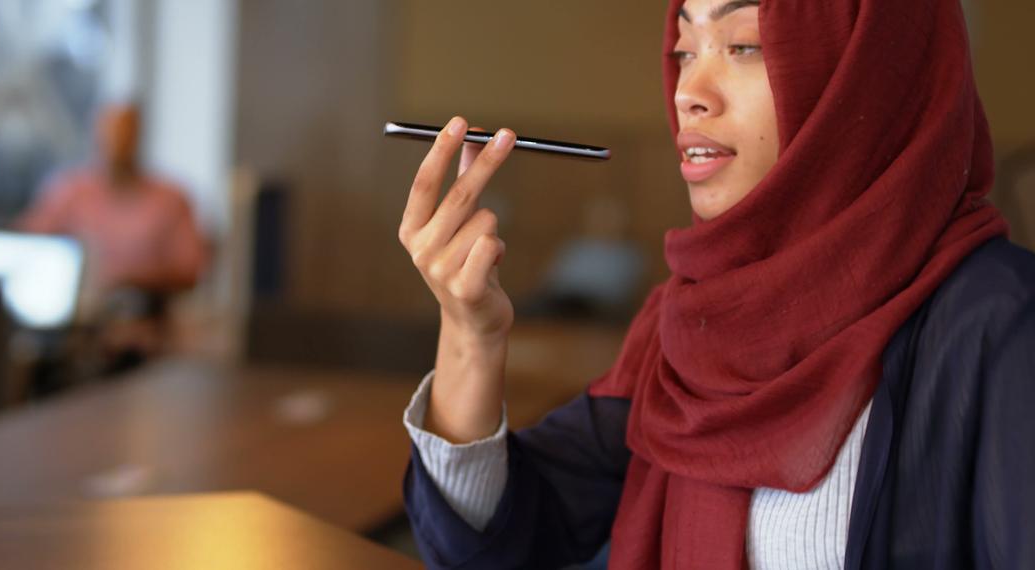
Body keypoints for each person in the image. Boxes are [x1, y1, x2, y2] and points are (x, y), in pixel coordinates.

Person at [397, 0, 1035, 568]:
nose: (687, 92)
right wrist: (470, 332)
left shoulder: (998, 319)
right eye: (683, 50)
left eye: (745, 45)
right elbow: (503, 542)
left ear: (868, 73)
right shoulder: (686, 321)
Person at [17, 102, 207, 374]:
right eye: (109, 134)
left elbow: (190, 270)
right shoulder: (71, 191)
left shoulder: (170, 198)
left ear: (139, 137)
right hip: (74, 326)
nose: (116, 143)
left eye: (125, 134)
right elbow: (29, 239)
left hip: (143, 327)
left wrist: (127, 280)